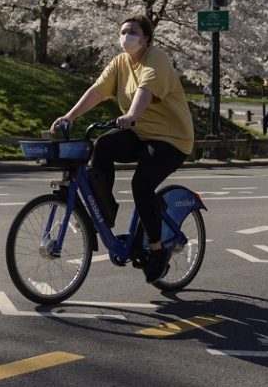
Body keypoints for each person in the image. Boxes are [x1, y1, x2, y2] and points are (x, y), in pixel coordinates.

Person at [51, 15, 195, 283]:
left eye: (133, 32)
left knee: (141, 185)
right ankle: (105, 211)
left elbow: (145, 90)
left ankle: (157, 247)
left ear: (146, 38)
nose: (126, 36)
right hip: (140, 133)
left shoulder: (156, 58)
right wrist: (69, 116)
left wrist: (130, 115)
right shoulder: (120, 62)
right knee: (103, 144)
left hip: (172, 138)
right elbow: (97, 91)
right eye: (123, 31)